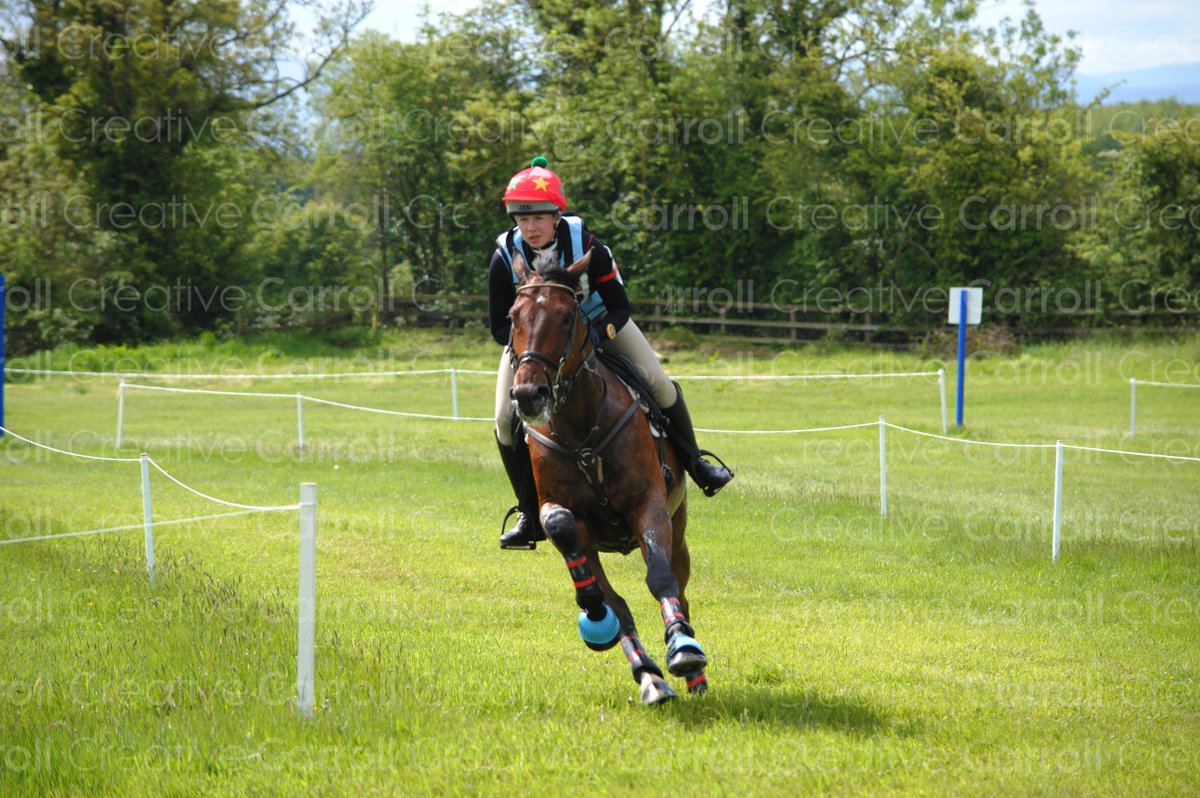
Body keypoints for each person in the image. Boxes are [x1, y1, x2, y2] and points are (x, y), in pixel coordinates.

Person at [489, 156, 733, 550]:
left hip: (603, 324)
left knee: (660, 384)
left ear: (557, 215)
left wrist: (592, 338)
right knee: (504, 418)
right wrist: (532, 346)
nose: (530, 228)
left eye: (538, 218)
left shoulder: (586, 245)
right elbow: (498, 325)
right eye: (522, 219)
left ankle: (697, 464)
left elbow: (620, 305)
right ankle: (528, 512)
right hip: (535, 344)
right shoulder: (503, 255)